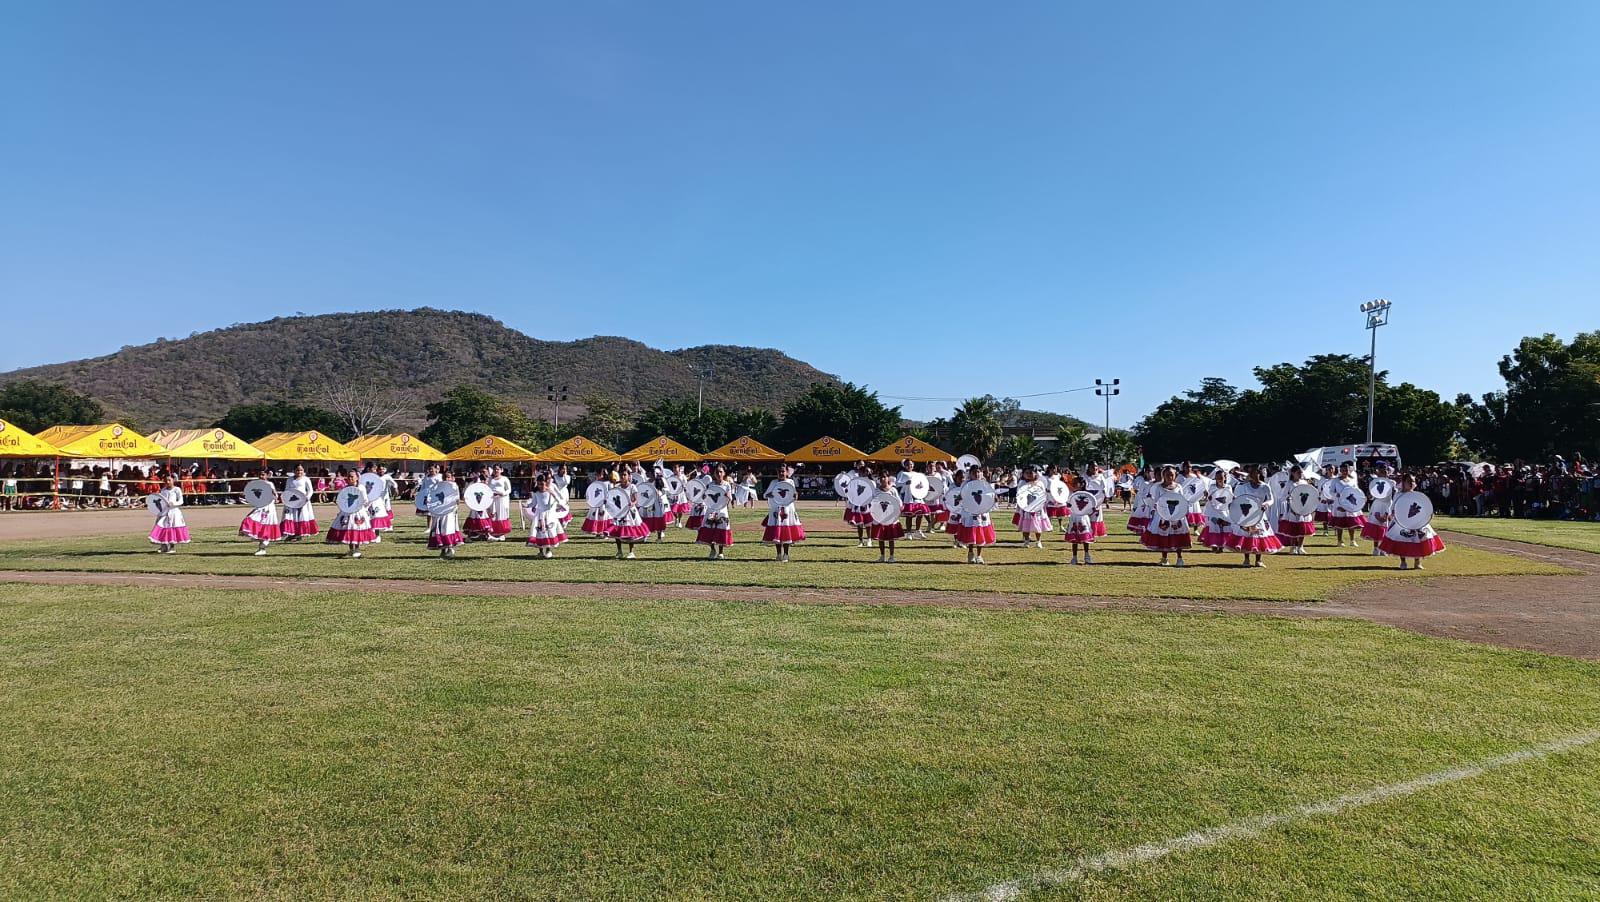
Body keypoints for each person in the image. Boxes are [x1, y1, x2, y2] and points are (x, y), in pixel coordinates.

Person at [1378, 474, 1447, 569]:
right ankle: (1403, 562)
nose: (1411, 483)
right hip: (1401, 522)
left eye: (1413, 481)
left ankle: (1417, 562)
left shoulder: (1417, 495)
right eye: (1409, 481)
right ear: (1404, 482)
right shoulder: (1398, 495)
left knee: (1419, 540)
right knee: (1401, 540)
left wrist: (1429, 514)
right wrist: (1391, 515)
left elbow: (1424, 507)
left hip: (1417, 521)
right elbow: (1393, 508)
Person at [1139, 466, 1191, 566]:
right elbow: (1157, 501)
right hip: (1163, 515)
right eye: (1167, 475)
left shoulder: (1179, 487)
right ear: (1163, 475)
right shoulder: (1158, 487)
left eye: (1171, 475)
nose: (1169, 477)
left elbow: (1182, 500)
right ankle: (1164, 558)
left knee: (1177, 536)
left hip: (1177, 515)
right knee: (1164, 535)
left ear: (1175, 475)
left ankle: (1179, 558)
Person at [1232, 467, 1282, 567]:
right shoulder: (1244, 486)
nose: (1254, 475)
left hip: (1260, 515)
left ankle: (1258, 560)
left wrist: (1266, 504)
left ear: (1260, 474)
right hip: (1247, 514)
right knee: (1247, 534)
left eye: (1256, 473)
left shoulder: (1265, 486)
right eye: (1252, 473)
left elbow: (1271, 499)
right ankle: (1246, 559)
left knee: (1259, 535)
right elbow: (1238, 497)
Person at [324, 477, 377, 558]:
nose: (350, 478)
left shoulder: (361, 487)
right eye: (349, 476)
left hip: (358, 512)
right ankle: (351, 549)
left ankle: (357, 549)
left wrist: (361, 507)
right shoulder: (346, 488)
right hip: (347, 511)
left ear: (357, 478)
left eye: (352, 476)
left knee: (357, 528)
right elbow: (342, 499)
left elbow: (365, 500)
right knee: (348, 529)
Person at [762, 464, 805, 562]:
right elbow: (765, 495)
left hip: (787, 510)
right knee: (777, 533)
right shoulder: (774, 483)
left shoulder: (790, 482)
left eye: (783, 471)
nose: (781, 473)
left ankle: (786, 554)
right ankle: (778, 554)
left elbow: (794, 496)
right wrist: (771, 494)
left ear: (786, 472)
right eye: (779, 472)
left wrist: (795, 495)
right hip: (776, 510)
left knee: (786, 532)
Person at [955, 468, 997, 564]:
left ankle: (979, 555)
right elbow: (961, 496)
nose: (977, 474)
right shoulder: (966, 484)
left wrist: (994, 498)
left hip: (982, 511)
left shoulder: (985, 484)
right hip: (970, 511)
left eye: (979, 472)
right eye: (974, 472)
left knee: (980, 531)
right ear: (970, 474)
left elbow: (991, 496)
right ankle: (970, 553)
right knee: (971, 532)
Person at [1274, 465, 1317, 555]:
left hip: (1304, 508)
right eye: (1298, 472)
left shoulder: (1305, 482)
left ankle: (1300, 547)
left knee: (1303, 528)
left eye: (1301, 472)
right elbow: (1282, 497)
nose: (1300, 474)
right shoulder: (1289, 484)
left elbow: (1310, 494)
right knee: (1293, 529)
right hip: (1293, 509)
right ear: (1293, 473)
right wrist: (1288, 497)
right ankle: (1293, 547)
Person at [239, 468, 282, 555]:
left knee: (266, 526)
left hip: (268, 508)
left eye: (263, 474)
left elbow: (275, 495)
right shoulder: (256, 484)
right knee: (250, 519)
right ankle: (258, 540)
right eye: (260, 474)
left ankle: (262, 548)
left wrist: (275, 498)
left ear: (267, 475)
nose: (261, 476)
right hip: (260, 507)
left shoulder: (269, 484)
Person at [608, 472, 651, 559]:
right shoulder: (618, 487)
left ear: (628, 476)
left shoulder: (632, 487)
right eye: (622, 475)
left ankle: (631, 552)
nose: (623, 476)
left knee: (631, 531)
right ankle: (619, 551)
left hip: (630, 512)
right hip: (619, 512)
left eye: (625, 475)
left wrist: (632, 503)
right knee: (617, 531)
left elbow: (635, 500)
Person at [525, 473, 567, 558]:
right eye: (539, 484)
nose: (541, 486)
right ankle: (540, 550)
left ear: (546, 482)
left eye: (542, 484)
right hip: (539, 515)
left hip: (549, 515)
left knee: (549, 531)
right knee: (539, 532)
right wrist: (527, 505)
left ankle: (548, 550)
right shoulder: (536, 492)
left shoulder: (550, 491)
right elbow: (534, 503)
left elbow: (558, 499)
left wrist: (561, 505)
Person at [696, 465, 734, 560]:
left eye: (721, 472)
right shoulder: (711, 484)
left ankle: (721, 552)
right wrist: (704, 497)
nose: (719, 474)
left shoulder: (727, 485)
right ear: (714, 474)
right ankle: (712, 549)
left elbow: (730, 498)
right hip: (711, 509)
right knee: (709, 528)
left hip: (722, 510)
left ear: (724, 473)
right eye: (717, 472)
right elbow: (705, 496)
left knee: (721, 529)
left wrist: (728, 495)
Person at [1325, 462, 1367, 547]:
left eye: (1346, 470)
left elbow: (1357, 490)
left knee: (1351, 522)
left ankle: (1352, 540)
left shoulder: (1352, 479)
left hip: (1350, 503)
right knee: (1340, 523)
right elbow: (1331, 491)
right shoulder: (1336, 480)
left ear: (1349, 470)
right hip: (1339, 503)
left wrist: (1362, 498)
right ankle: (1340, 541)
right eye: (1343, 470)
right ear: (1340, 470)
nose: (1344, 472)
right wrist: (1336, 495)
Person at [1011, 465, 1051, 548]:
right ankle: (1026, 541)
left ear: (1035, 473)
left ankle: (1038, 541)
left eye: (1031, 473)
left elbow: (1043, 495)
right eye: (1027, 473)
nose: (1029, 474)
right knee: (1026, 523)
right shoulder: (1022, 483)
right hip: (1026, 506)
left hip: (1037, 507)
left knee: (1038, 523)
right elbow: (1019, 494)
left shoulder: (1040, 483)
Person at [148, 473, 190, 553]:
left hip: (174, 512)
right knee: (162, 527)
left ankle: (171, 547)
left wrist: (174, 504)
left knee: (172, 529)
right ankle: (163, 546)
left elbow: (181, 501)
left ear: (173, 480)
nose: (167, 482)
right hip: (164, 512)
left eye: (169, 480)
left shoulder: (177, 489)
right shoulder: (163, 490)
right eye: (166, 480)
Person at [427, 471, 465, 559]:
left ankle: (450, 547)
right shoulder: (438, 486)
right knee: (439, 529)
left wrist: (456, 502)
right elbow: (433, 496)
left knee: (447, 528)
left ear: (452, 478)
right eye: (444, 477)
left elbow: (457, 499)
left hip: (449, 511)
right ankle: (443, 549)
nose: (446, 479)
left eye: (448, 477)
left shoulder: (454, 486)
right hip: (439, 511)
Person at [870, 471, 905, 563]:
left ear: (888, 478)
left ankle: (892, 556)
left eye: (884, 477)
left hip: (890, 516)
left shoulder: (893, 490)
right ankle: (882, 556)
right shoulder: (876, 491)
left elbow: (899, 502)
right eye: (881, 477)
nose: (882, 479)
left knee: (891, 537)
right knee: (880, 537)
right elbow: (872, 502)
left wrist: (899, 510)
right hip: (879, 516)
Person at [281, 465, 318, 542]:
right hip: (291, 501)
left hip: (302, 501)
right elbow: (287, 489)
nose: (299, 472)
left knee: (301, 516)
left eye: (301, 470)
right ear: (294, 471)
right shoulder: (290, 479)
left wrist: (307, 497)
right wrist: (285, 498)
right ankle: (291, 533)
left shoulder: (306, 479)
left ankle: (299, 534)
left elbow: (310, 490)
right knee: (291, 516)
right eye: (297, 470)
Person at [897, 459, 929, 539]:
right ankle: (908, 533)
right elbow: (897, 484)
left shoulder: (917, 474)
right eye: (907, 464)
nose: (909, 466)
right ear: (904, 465)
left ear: (913, 465)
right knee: (909, 515)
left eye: (911, 464)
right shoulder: (902, 473)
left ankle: (918, 531)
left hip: (917, 496)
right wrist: (905, 483)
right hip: (909, 497)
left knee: (920, 513)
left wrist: (921, 486)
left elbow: (920, 483)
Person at [843, 462, 874, 547]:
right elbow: (850, 491)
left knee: (868, 523)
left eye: (867, 471)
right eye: (863, 472)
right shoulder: (855, 481)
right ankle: (860, 540)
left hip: (867, 505)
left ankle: (869, 540)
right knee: (859, 524)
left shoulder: (871, 482)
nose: (865, 473)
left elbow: (874, 493)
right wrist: (847, 491)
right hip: (858, 504)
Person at [1199, 480, 1234, 551]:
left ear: (1224, 478)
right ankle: (1214, 545)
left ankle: (1221, 546)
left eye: (1221, 477)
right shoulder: (1212, 486)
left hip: (1224, 510)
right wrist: (1208, 497)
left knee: (1224, 527)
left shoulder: (1228, 487)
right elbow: (1209, 497)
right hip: (1213, 510)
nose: (1219, 479)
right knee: (1214, 527)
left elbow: (1229, 497)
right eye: (1218, 477)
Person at [1063, 491, 1096, 565]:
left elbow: (1090, 508)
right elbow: (1069, 505)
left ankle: (1087, 556)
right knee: (1074, 539)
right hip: (1074, 518)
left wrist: (1092, 510)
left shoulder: (1088, 496)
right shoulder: (1072, 495)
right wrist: (1068, 505)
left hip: (1084, 518)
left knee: (1085, 538)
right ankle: (1074, 557)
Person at [485, 465, 513, 541]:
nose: (496, 471)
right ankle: (493, 533)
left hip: (501, 499)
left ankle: (502, 533)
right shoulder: (490, 479)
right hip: (492, 499)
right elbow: (487, 488)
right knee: (492, 515)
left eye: (498, 469)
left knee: (501, 515)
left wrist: (502, 493)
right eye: (495, 469)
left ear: (501, 470)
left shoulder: (504, 479)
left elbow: (509, 490)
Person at [643, 474, 670, 542]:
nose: (652, 475)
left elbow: (666, 490)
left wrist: (660, 491)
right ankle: (646, 535)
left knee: (659, 519)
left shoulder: (659, 480)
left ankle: (659, 537)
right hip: (649, 503)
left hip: (658, 503)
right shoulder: (646, 482)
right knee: (648, 519)